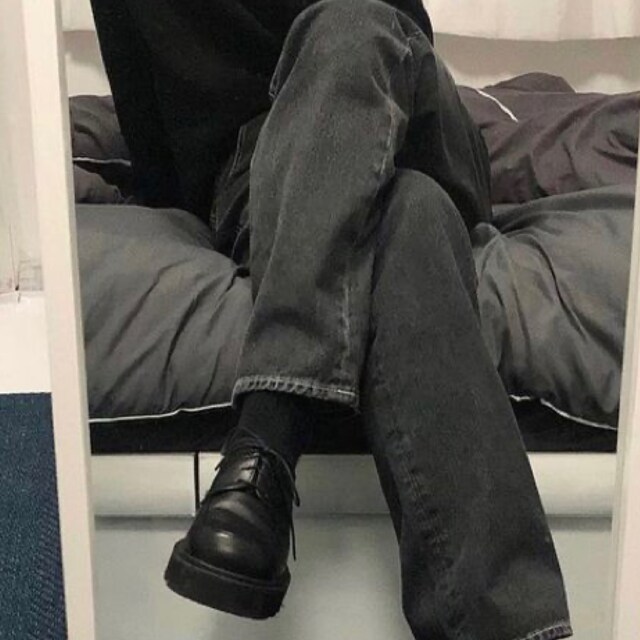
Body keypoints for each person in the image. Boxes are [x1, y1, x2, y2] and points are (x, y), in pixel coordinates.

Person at [89, 0, 573, 638]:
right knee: (409, 214)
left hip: (408, 117)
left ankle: (267, 438)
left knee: (349, 27)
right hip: (265, 169)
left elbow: (399, 30)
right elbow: (152, 135)